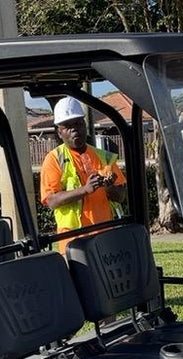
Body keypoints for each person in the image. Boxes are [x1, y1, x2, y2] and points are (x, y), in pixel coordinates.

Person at [40, 96, 127, 253]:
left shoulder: (103, 156)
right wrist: (84, 190)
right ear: (59, 132)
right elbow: (52, 200)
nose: (75, 129)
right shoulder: (53, 159)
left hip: (104, 236)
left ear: (85, 125)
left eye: (78, 123)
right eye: (67, 126)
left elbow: (120, 196)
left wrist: (109, 188)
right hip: (73, 241)